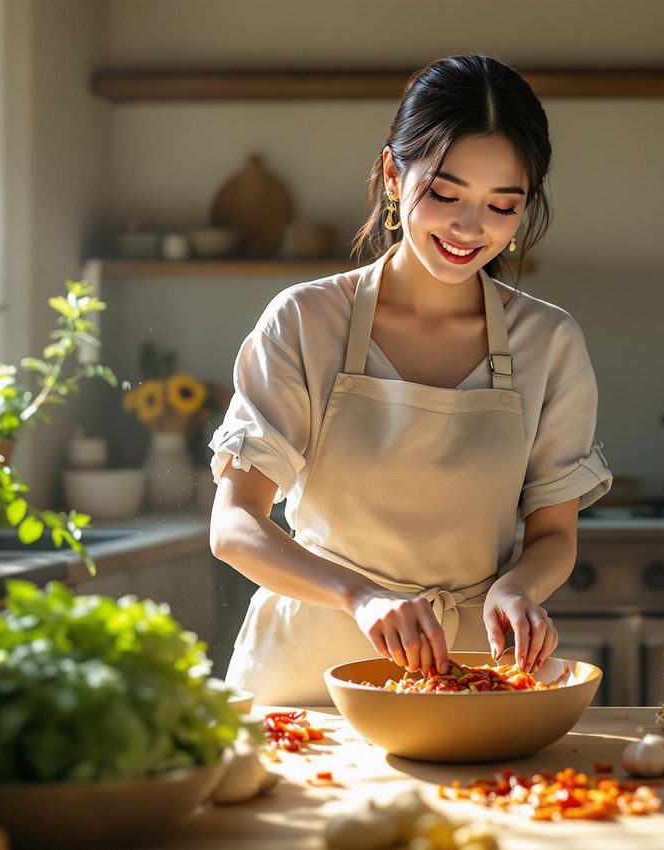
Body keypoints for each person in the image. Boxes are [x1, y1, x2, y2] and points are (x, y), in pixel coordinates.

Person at [208, 54, 612, 705]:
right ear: (394, 175)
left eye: (502, 205)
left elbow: (554, 536)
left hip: (467, 679)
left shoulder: (549, 343)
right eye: (447, 195)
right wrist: (360, 596)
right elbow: (234, 527)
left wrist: (517, 588)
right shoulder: (307, 321)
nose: (469, 228)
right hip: (304, 681)